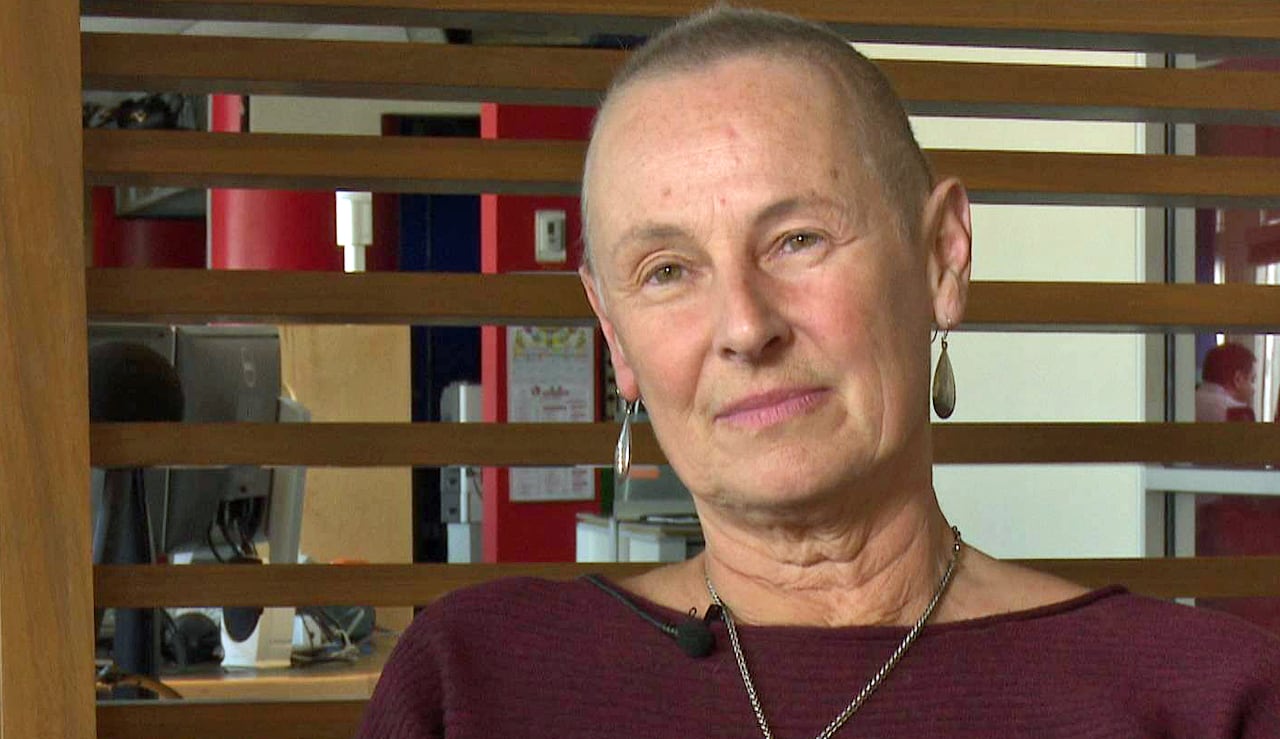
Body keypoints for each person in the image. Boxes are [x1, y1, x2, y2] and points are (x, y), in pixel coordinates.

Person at [358, 9, 1280, 737]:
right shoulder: (475, 686)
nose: (745, 326)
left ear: (941, 259)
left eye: (798, 239)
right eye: (668, 271)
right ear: (615, 333)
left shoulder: (1205, 701)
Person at [1196, 342, 1258, 422]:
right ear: (1237, 379)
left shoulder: (1182, 403)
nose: (1254, 390)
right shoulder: (1238, 413)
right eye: (1252, 380)